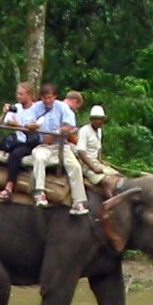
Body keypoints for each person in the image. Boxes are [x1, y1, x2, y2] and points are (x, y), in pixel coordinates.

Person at [30, 84, 88, 216]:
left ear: (55, 97)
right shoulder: (36, 107)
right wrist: (33, 126)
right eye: (45, 98)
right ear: (41, 97)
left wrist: (57, 132)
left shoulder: (62, 107)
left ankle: (78, 201)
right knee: (39, 158)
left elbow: (70, 125)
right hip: (43, 145)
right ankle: (39, 192)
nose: (47, 100)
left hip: (61, 145)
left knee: (75, 166)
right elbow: (28, 123)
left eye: (50, 97)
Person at [0, 82, 38, 199]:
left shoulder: (36, 109)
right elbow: (0, 123)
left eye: (21, 94)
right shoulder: (16, 107)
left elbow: (37, 126)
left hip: (28, 142)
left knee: (15, 155)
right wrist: (4, 113)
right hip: (16, 138)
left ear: (29, 95)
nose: (18, 96)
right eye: (17, 93)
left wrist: (19, 125)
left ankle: (9, 186)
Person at [75, 104, 119, 187]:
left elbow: (99, 148)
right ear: (91, 120)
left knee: (118, 176)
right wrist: (93, 167)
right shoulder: (84, 130)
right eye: (96, 119)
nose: (98, 121)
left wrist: (101, 160)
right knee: (107, 182)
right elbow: (81, 151)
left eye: (100, 119)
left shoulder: (99, 131)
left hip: (96, 163)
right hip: (86, 165)